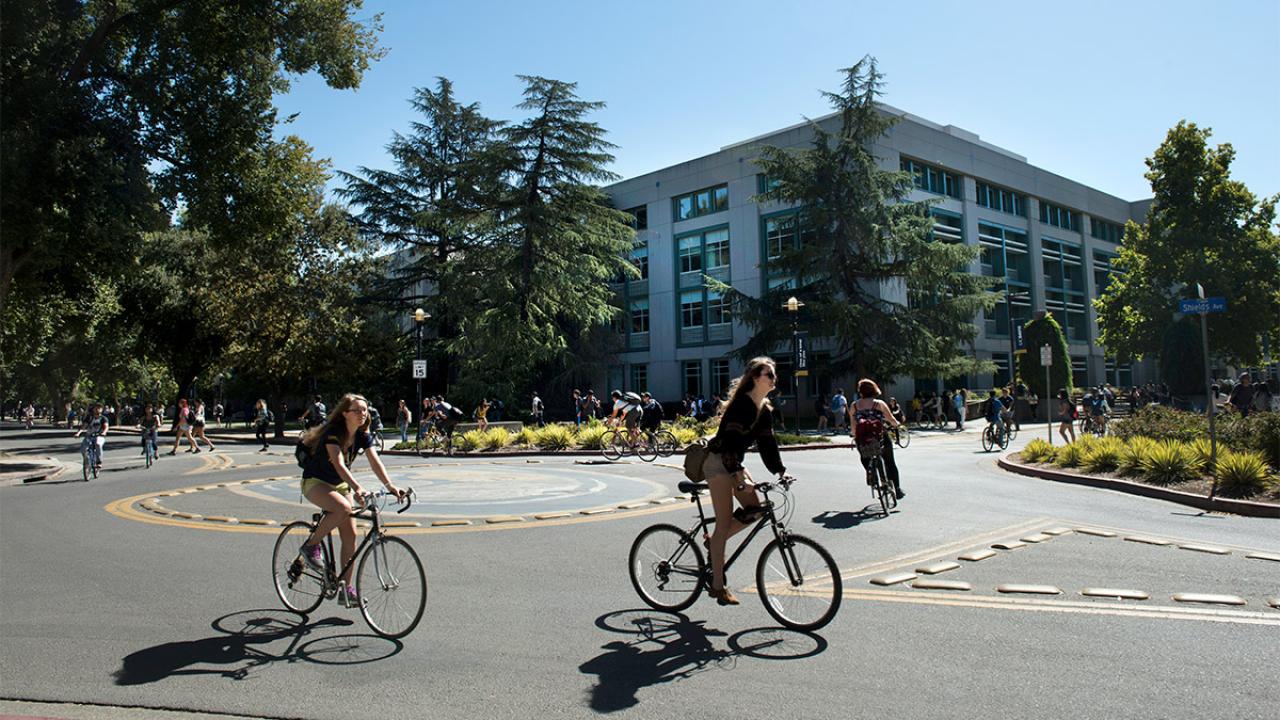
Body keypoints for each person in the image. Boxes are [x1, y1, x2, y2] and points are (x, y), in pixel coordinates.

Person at [295, 394, 406, 609]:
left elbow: (376, 462)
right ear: (345, 413)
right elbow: (338, 463)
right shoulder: (333, 433)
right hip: (316, 482)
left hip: (339, 486)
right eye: (357, 410)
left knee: (351, 535)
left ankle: (345, 589)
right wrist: (357, 488)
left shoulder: (363, 436)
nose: (362, 414)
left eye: (365, 410)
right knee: (343, 508)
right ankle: (310, 546)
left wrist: (391, 486)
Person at [703, 357, 786, 607]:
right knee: (723, 523)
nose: (773, 379)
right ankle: (718, 587)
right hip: (718, 464)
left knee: (757, 510)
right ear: (755, 378)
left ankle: (714, 542)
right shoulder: (741, 405)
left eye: (774, 374)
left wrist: (780, 471)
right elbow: (728, 442)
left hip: (735, 465)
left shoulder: (764, 410)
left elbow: (767, 444)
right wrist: (737, 476)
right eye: (768, 374)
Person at [849, 379, 904, 499]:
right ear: (874, 389)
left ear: (860, 391)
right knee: (890, 462)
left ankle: (871, 473)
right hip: (879, 436)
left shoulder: (854, 406)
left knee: (864, 458)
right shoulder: (879, 404)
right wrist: (898, 425)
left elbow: (853, 426)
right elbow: (891, 420)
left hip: (863, 438)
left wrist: (854, 435)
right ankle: (898, 489)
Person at [74, 404, 110, 470]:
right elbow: (83, 427)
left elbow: (106, 427)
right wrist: (78, 433)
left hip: (99, 436)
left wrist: (104, 432)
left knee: (98, 444)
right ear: (93, 409)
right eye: (96, 408)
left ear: (102, 410)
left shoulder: (103, 418)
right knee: (83, 449)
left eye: (99, 408)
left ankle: (99, 462)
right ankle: (87, 462)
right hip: (89, 435)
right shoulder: (89, 417)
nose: (97, 410)